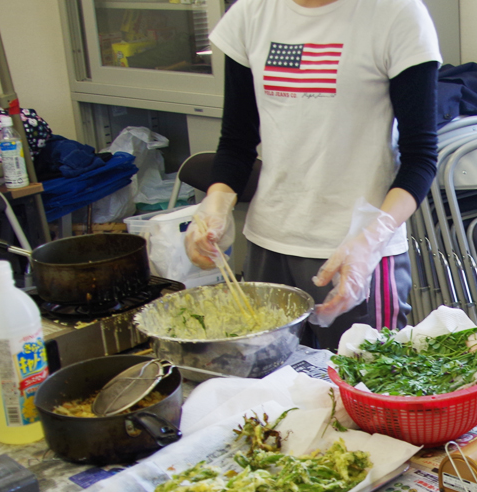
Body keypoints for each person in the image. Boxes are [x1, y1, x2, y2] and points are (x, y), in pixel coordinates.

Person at [185, 0, 441, 350]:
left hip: (356, 253)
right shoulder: (251, 13)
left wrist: (369, 241)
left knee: (364, 389)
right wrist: (215, 206)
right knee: (270, 391)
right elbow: (236, 141)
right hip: (269, 244)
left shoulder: (396, 13)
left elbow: (421, 157)